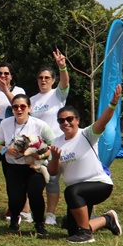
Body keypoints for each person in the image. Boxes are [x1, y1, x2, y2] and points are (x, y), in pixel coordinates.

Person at [47, 85, 123, 243]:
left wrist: (113, 104)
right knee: (72, 230)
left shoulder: (87, 134)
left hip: (98, 184)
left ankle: (86, 234)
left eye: (69, 119)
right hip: (78, 193)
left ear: (77, 120)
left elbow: (102, 122)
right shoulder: (56, 143)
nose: (66, 123)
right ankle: (107, 219)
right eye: (61, 120)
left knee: (71, 191)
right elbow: (53, 172)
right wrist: (54, 159)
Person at [0, 93, 54, 236]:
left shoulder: (39, 125)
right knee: (16, 198)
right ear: (12, 109)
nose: (19, 109)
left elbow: (53, 145)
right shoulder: (5, 124)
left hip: (35, 167)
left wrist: (39, 155)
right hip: (14, 167)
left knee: (35, 193)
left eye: (23, 106)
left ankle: (39, 223)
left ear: (29, 108)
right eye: (15, 107)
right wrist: (7, 150)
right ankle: (14, 219)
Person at [31, 50, 71, 225]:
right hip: (38, 147)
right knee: (37, 180)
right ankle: (29, 212)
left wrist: (62, 67)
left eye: (47, 78)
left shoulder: (57, 95)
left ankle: (51, 214)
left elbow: (65, 83)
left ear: (53, 80)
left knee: (53, 180)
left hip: (56, 144)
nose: (43, 80)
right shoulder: (32, 100)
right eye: (40, 78)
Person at [0, 62, 25, 201]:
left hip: (11, 140)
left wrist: (6, 90)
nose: (3, 76)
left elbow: (19, 105)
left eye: (6, 73)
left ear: (11, 76)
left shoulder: (18, 91)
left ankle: (13, 207)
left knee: (10, 174)